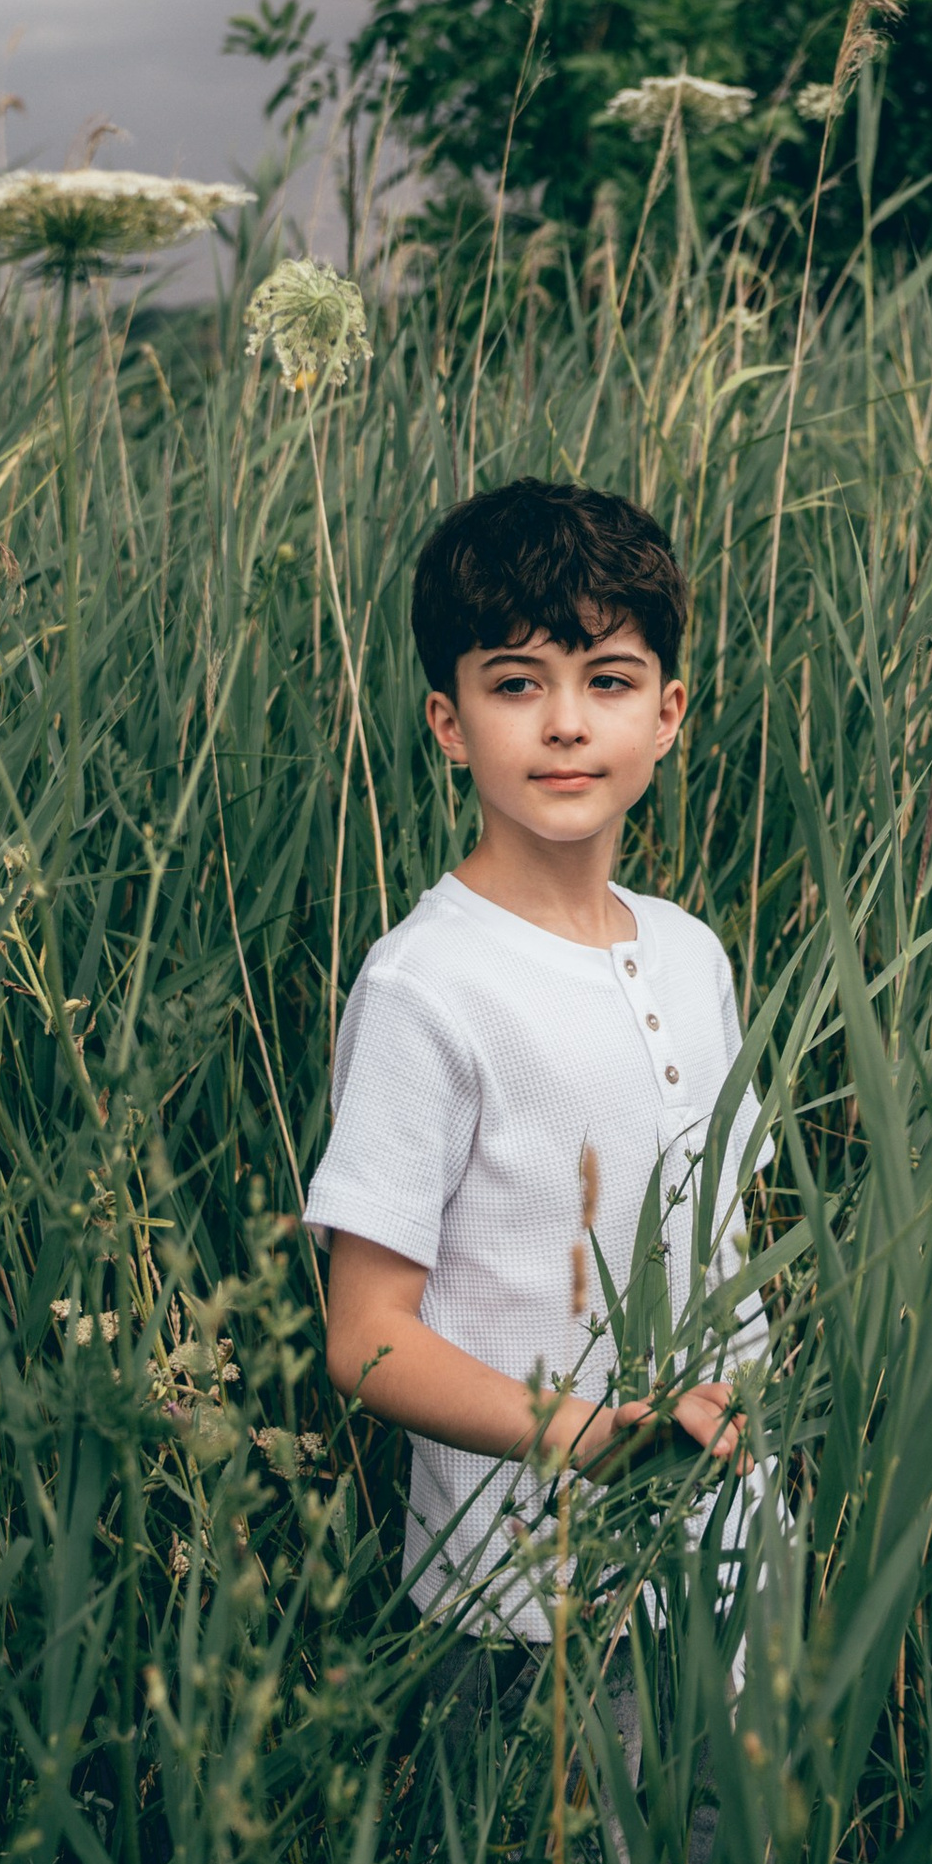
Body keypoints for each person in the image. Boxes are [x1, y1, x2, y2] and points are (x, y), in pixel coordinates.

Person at [308, 475, 763, 1672]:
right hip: (526, 1604)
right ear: (449, 722)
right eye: (516, 683)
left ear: (666, 714)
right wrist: (589, 1435)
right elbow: (363, 1335)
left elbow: (727, 1244)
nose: (565, 723)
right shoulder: (426, 986)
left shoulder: (692, 954)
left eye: (607, 681)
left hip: (730, 1565)